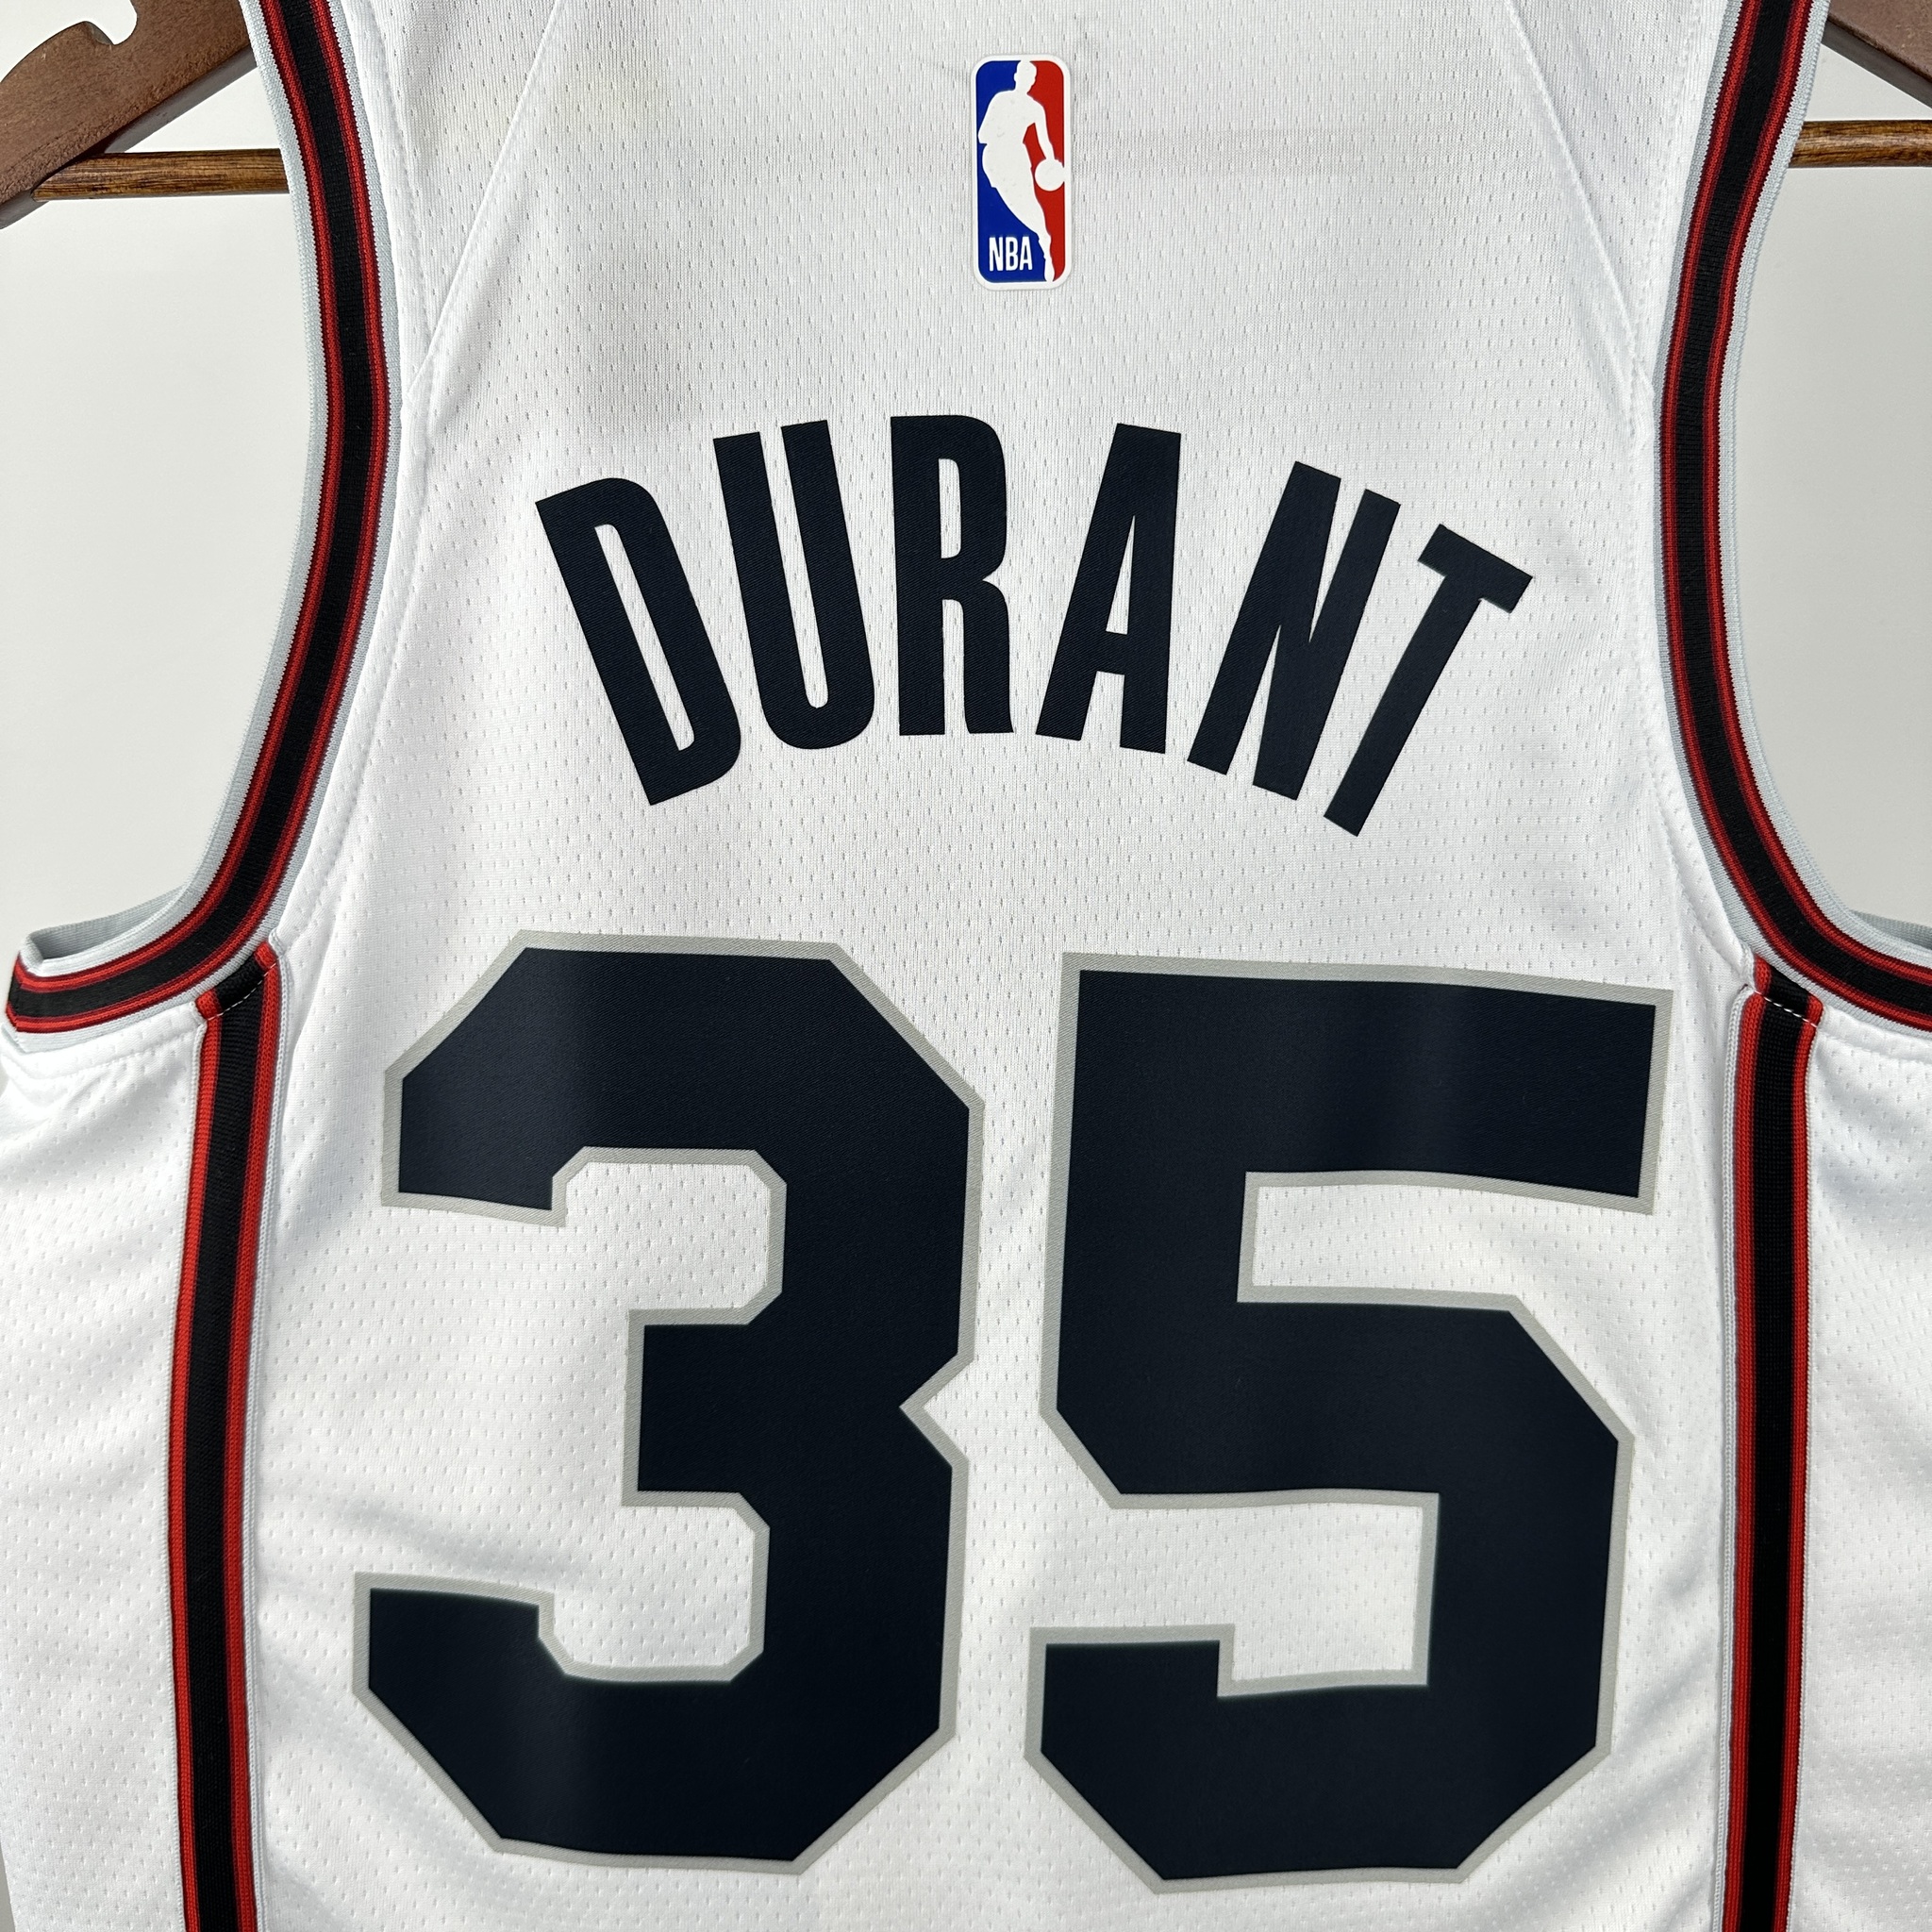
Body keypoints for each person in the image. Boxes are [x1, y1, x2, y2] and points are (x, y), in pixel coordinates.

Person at [977, 58, 1058, 280]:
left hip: (1017, 158)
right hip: (995, 158)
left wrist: (1052, 163)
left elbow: (1045, 142)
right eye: (1023, 76)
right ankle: (1041, 237)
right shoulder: (1000, 99)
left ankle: (1045, 243)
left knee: (1029, 202)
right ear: (1016, 77)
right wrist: (1004, 131)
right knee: (1014, 203)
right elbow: (982, 135)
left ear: (1033, 81)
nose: (1026, 81)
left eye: (1030, 77)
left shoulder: (1035, 108)